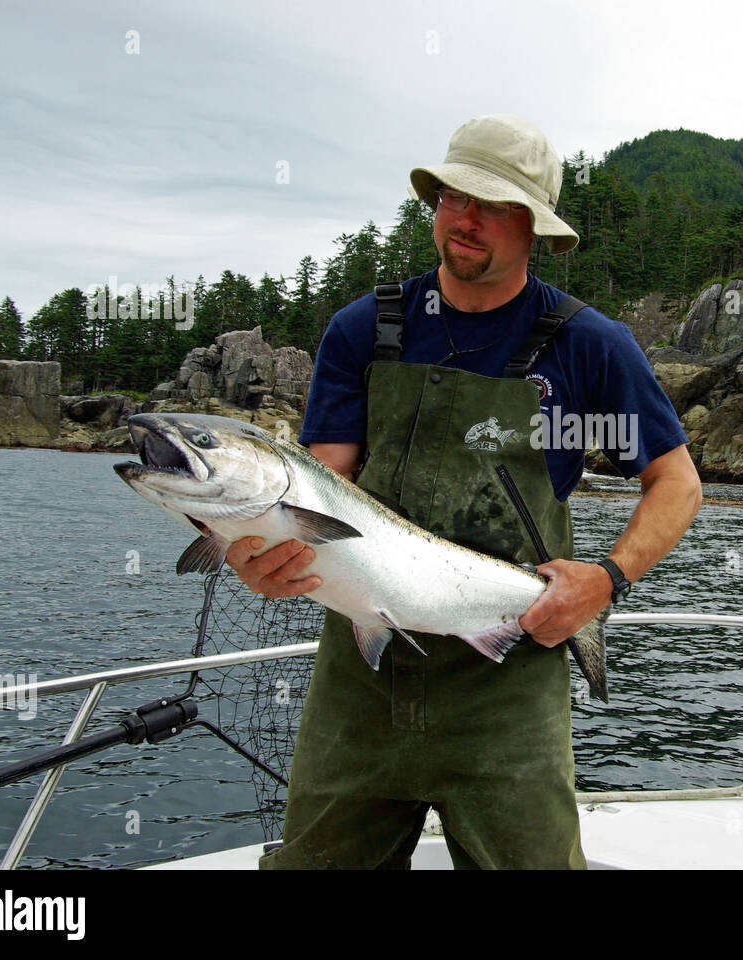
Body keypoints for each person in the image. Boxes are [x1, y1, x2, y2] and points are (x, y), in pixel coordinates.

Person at [232, 115, 702, 869]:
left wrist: (605, 580)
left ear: (536, 229)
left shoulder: (588, 347)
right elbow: (323, 485)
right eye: (453, 197)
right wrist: (268, 552)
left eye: (493, 204)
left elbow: (675, 482)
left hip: (508, 688)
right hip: (362, 679)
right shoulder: (365, 331)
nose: (466, 218)